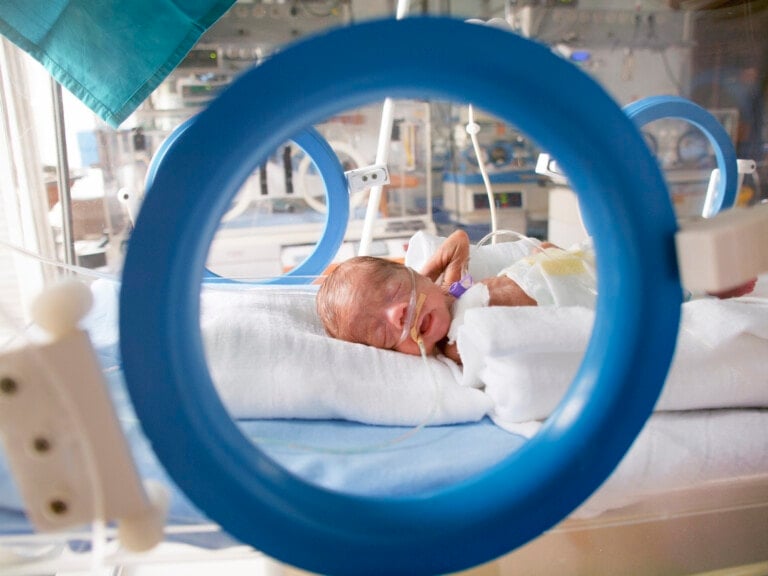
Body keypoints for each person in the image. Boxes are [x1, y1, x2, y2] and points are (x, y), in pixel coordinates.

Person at [316, 229, 756, 364]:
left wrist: (427, 277)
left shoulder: (452, 291)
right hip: (604, 298)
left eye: (394, 291)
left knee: (660, 250)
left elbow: (455, 240)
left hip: (583, 264)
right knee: (686, 284)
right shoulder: (457, 345)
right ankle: (713, 285)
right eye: (380, 330)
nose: (397, 312)